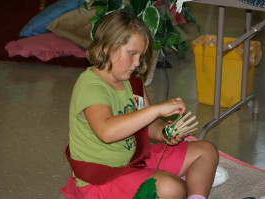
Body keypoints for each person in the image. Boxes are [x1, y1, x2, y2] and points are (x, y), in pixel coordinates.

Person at [60, 9, 219, 199]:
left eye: (141, 55)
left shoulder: (132, 80)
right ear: (108, 48)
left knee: (206, 152)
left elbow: (149, 124)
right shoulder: (90, 86)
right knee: (171, 188)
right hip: (101, 178)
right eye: (132, 53)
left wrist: (164, 133)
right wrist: (156, 109)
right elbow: (106, 132)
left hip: (135, 160)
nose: (137, 63)